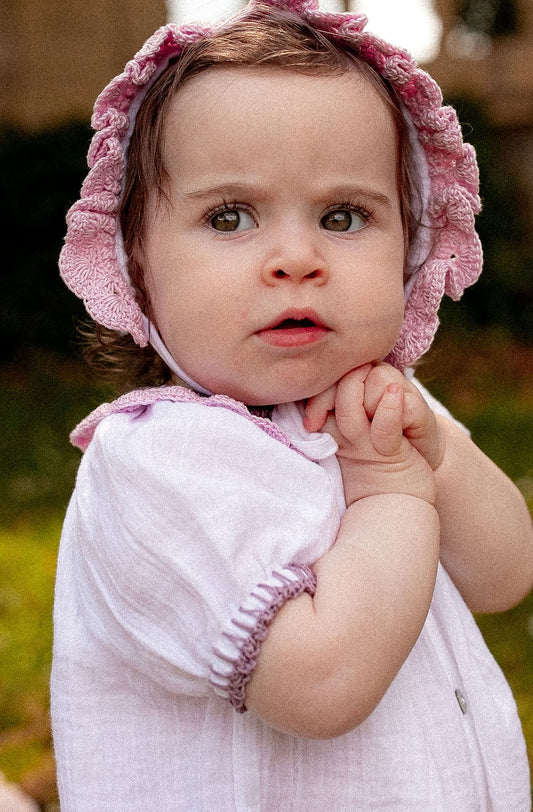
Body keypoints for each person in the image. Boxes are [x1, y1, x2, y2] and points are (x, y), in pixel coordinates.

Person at [51, 1, 533, 809]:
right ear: (136, 260)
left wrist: (439, 458)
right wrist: (390, 488)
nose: (296, 260)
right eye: (229, 217)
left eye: (342, 217)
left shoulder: (383, 410)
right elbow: (320, 686)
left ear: (410, 243)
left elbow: (505, 576)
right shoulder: (155, 466)